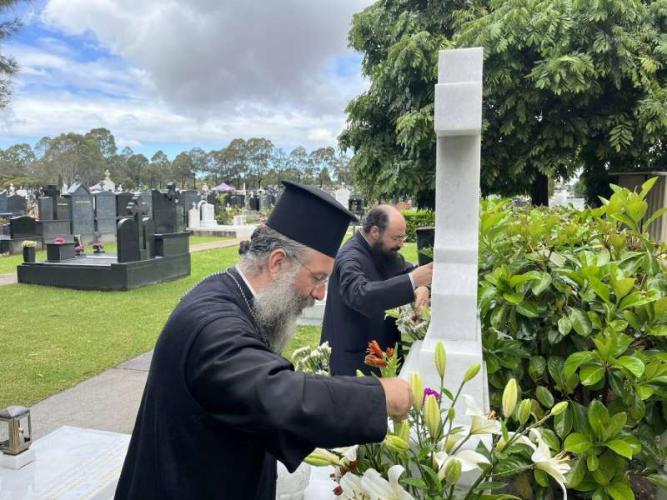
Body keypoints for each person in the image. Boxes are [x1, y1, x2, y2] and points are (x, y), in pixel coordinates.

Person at [115, 181, 413, 500]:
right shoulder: (211, 324)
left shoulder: (238, 297)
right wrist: (380, 396)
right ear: (278, 262)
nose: (320, 293)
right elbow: (276, 393)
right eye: (317, 278)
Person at [321, 205, 433, 375]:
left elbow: (407, 271)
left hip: (384, 352)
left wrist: (422, 287)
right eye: (396, 238)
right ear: (375, 231)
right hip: (356, 362)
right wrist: (412, 281)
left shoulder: (382, 250)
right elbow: (360, 295)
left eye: (403, 237)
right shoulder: (350, 258)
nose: (401, 244)